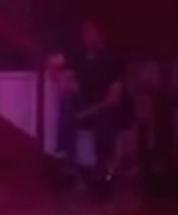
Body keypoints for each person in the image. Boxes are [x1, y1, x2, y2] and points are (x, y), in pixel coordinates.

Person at [48, 18, 130, 193]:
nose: (86, 36)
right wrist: (60, 78)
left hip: (103, 105)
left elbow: (114, 98)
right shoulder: (77, 54)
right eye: (84, 31)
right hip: (83, 102)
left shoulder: (113, 59)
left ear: (101, 34)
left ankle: (103, 167)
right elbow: (53, 62)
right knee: (67, 102)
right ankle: (67, 160)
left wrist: (88, 112)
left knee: (104, 116)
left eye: (91, 31)